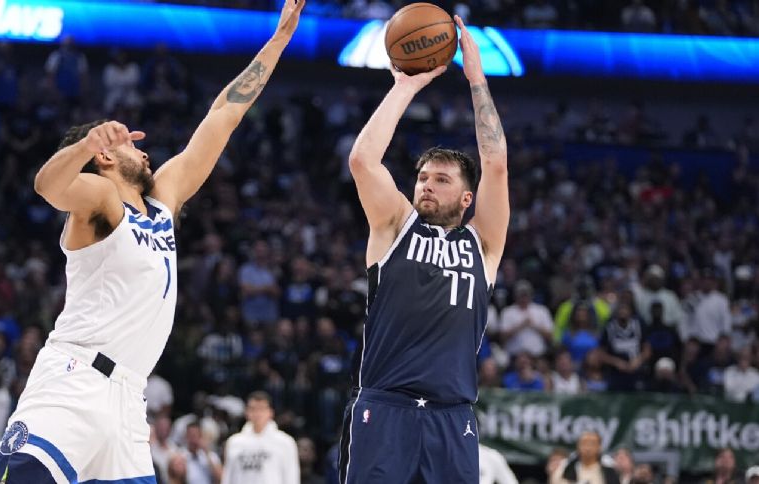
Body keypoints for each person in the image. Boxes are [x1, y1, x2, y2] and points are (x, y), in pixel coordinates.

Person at [0, 1, 305, 482]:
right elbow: (47, 187)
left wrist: (277, 41)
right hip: (74, 381)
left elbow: (223, 116)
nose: (144, 146)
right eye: (130, 144)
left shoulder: (163, 200)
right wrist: (87, 144)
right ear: (106, 157)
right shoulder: (99, 197)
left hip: (130, 399)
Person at [339, 16, 509, 483]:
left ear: (466, 198)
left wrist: (477, 80)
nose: (426, 186)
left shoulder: (483, 243)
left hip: (453, 418)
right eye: (421, 177)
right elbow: (362, 161)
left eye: (441, 179)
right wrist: (405, 86)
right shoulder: (396, 225)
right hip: (384, 408)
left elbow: (495, 164)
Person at [221, 391, 298, 484]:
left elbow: (291, 477)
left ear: (270, 412)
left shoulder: (285, 442)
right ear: (246, 412)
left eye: (261, 409)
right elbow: (228, 476)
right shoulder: (234, 442)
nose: (257, 413)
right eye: (253, 409)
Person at [549, 431, 619, 484]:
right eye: (584, 443)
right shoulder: (565, 467)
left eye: (592, 443)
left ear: (599, 447)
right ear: (578, 446)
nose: (588, 448)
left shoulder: (609, 470)